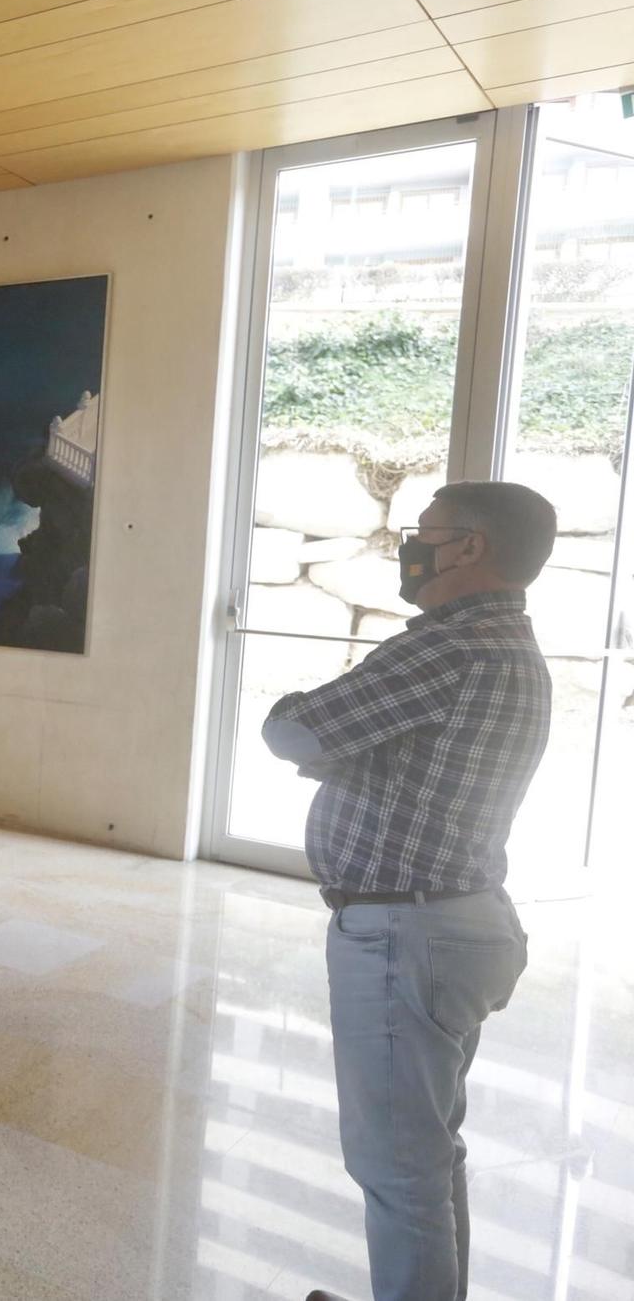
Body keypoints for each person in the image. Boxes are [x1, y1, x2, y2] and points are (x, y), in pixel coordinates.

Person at [264, 481, 554, 1301]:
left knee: (396, 1169)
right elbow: (392, 756)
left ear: (470, 548)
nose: (411, 547)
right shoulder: (507, 645)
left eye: (425, 533)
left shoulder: (445, 647)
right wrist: (345, 747)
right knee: (428, 1149)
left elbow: (295, 727)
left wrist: (316, 733)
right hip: (461, 922)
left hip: (405, 935)